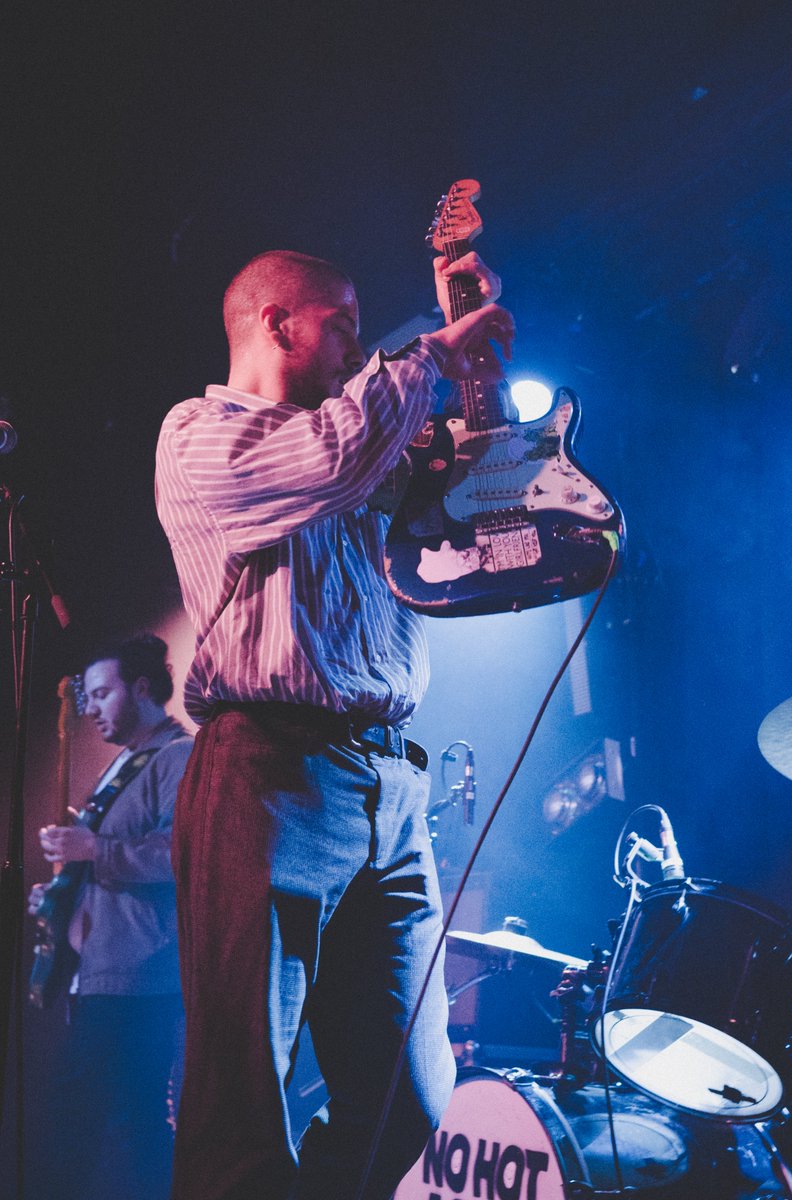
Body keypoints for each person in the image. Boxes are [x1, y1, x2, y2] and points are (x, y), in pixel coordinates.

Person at [154, 247, 514, 1200]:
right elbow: (330, 458)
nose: (361, 345)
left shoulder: (363, 436)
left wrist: (478, 377)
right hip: (268, 776)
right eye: (345, 321)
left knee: (415, 1109)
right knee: (244, 1109)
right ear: (276, 322)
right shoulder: (201, 434)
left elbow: (491, 512)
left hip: (391, 787)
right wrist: (428, 352)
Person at [28, 633, 194, 1200]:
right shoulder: (125, 764)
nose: (90, 708)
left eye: (101, 694)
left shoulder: (178, 757)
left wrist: (92, 850)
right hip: (104, 973)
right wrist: (62, 895)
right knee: (136, 1120)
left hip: (139, 978)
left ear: (142, 688)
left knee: (84, 1121)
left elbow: (184, 853)